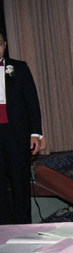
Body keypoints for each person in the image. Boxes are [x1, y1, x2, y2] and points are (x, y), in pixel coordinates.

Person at [0, 32, 42, 224]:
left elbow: (32, 101)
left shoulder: (19, 68)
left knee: (20, 182)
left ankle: (23, 226)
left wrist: (35, 133)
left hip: (15, 133)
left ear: (5, 44)